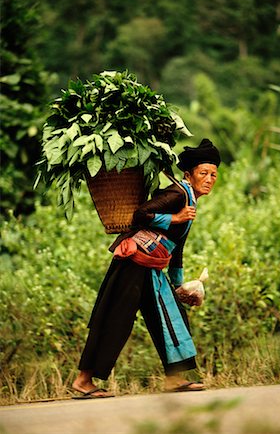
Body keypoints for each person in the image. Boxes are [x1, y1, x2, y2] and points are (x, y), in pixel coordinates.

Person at [72, 138, 221, 398]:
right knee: (115, 320)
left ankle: (174, 378)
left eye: (214, 175)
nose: (209, 179)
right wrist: (173, 217)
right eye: (203, 173)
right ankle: (83, 381)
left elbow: (177, 248)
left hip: (152, 268)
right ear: (189, 175)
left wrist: (178, 285)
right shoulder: (177, 194)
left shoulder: (191, 201)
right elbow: (141, 215)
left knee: (171, 314)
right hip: (131, 265)